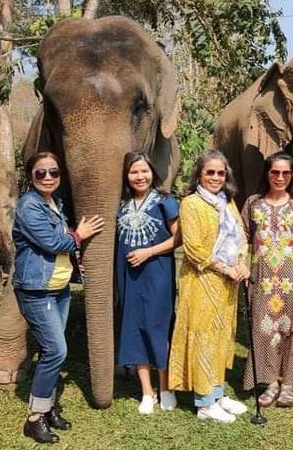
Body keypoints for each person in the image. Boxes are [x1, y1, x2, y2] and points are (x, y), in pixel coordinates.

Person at [13, 151, 105, 443]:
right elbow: (54, 242)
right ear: (31, 176)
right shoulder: (29, 206)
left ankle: (49, 406)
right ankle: (34, 418)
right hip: (37, 290)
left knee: (50, 350)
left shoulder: (54, 203)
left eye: (53, 172)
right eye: (41, 173)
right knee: (57, 351)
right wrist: (81, 233)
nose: (48, 177)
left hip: (59, 288)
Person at [168, 149, 250, 423]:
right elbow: (193, 248)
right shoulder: (191, 203)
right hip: (202, 282)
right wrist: (226, 268)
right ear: (199, 175)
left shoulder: (228, 203)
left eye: (220, 172)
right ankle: (204, 402)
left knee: (222, 337)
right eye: (210, 172)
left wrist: (241, 263)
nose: (216, 177)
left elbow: (241, 238)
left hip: (228, 284)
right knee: (203, 337)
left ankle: (217, 393)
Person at [241, 152, 293, 408]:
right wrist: (241, 265)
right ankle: (270, 382)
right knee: (264, 328)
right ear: (267, 174)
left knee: (292, 328)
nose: (280, 177)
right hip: (262, 276)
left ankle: (288, 384)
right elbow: (242, 236)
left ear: (292, 176)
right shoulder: (252, 203)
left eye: (285, 173)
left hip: (292, 277)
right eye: (275, 172)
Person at [115, 151, 181, 414]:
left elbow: (180, 238)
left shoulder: (164, 201)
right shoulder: (121, 205)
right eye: (134, 172)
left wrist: (149, 252)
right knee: (134, 328)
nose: (139, 176)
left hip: (158, 274)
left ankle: (166, 387)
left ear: (152, 172)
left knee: (158, 328)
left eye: (144, 171)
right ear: (126, 176)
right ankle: (147, 391)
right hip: (130, 277)